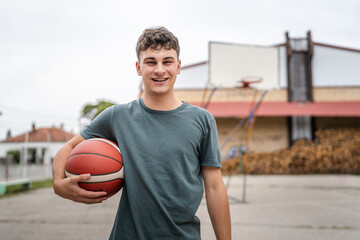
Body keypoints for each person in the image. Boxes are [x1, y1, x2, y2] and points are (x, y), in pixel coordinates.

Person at [52, 26, 231, 240]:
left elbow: (214, 187)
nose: (159, 70)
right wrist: (58, 184)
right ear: (138, 67)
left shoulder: (201, 120)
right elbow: (69, 147)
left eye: (167, 61)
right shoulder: (118, 116)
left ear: (178, 66)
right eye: (150, 62)